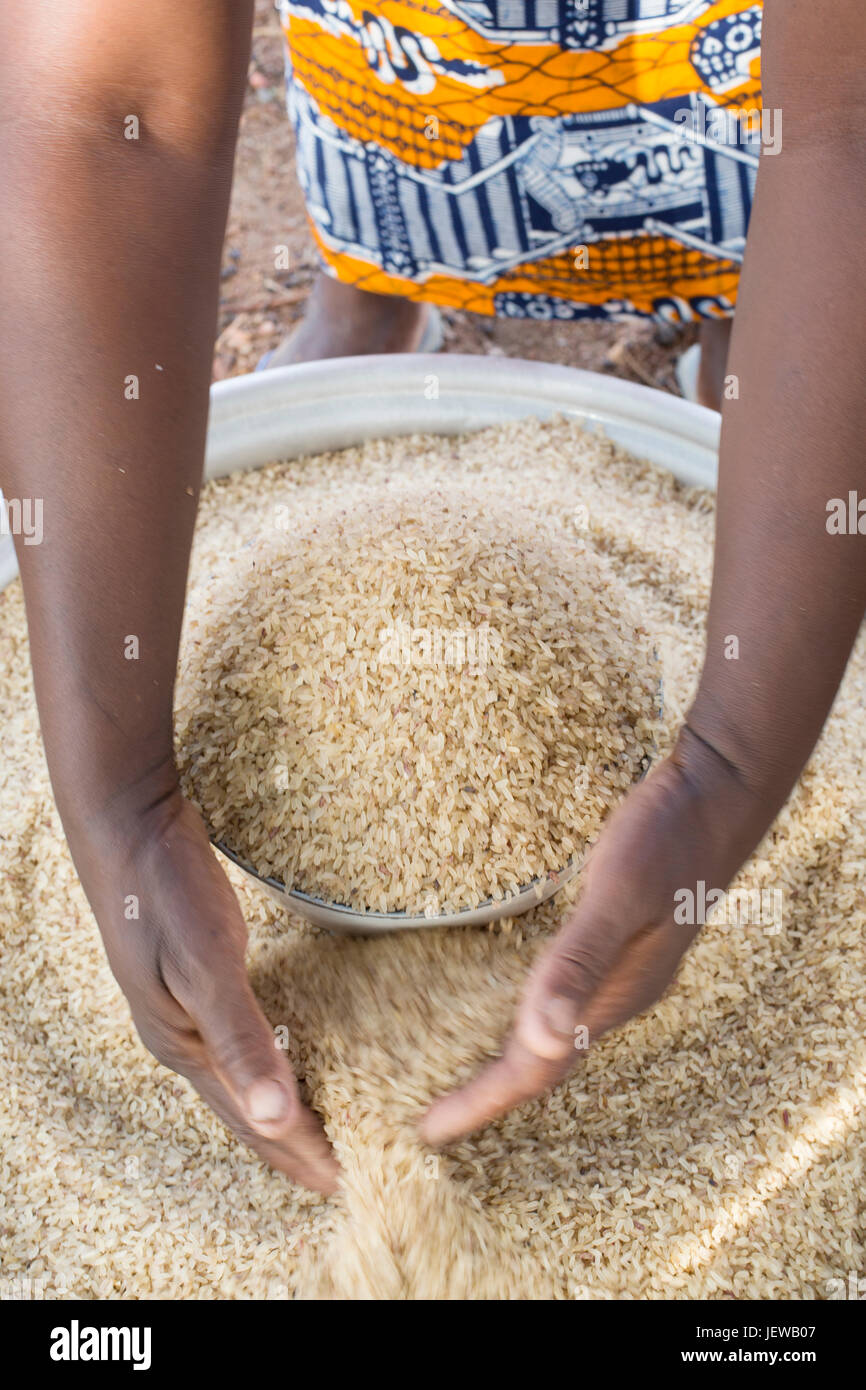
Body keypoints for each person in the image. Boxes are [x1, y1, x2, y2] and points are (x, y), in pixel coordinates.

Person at [0, 0, 863, 1195]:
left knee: (745, 223)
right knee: (402, 154)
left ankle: (729, 325)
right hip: (404, 49)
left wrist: (725, 766)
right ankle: (369, 305)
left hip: (724, 54)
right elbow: (112, 112)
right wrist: (115, 793)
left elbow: (839, 127)